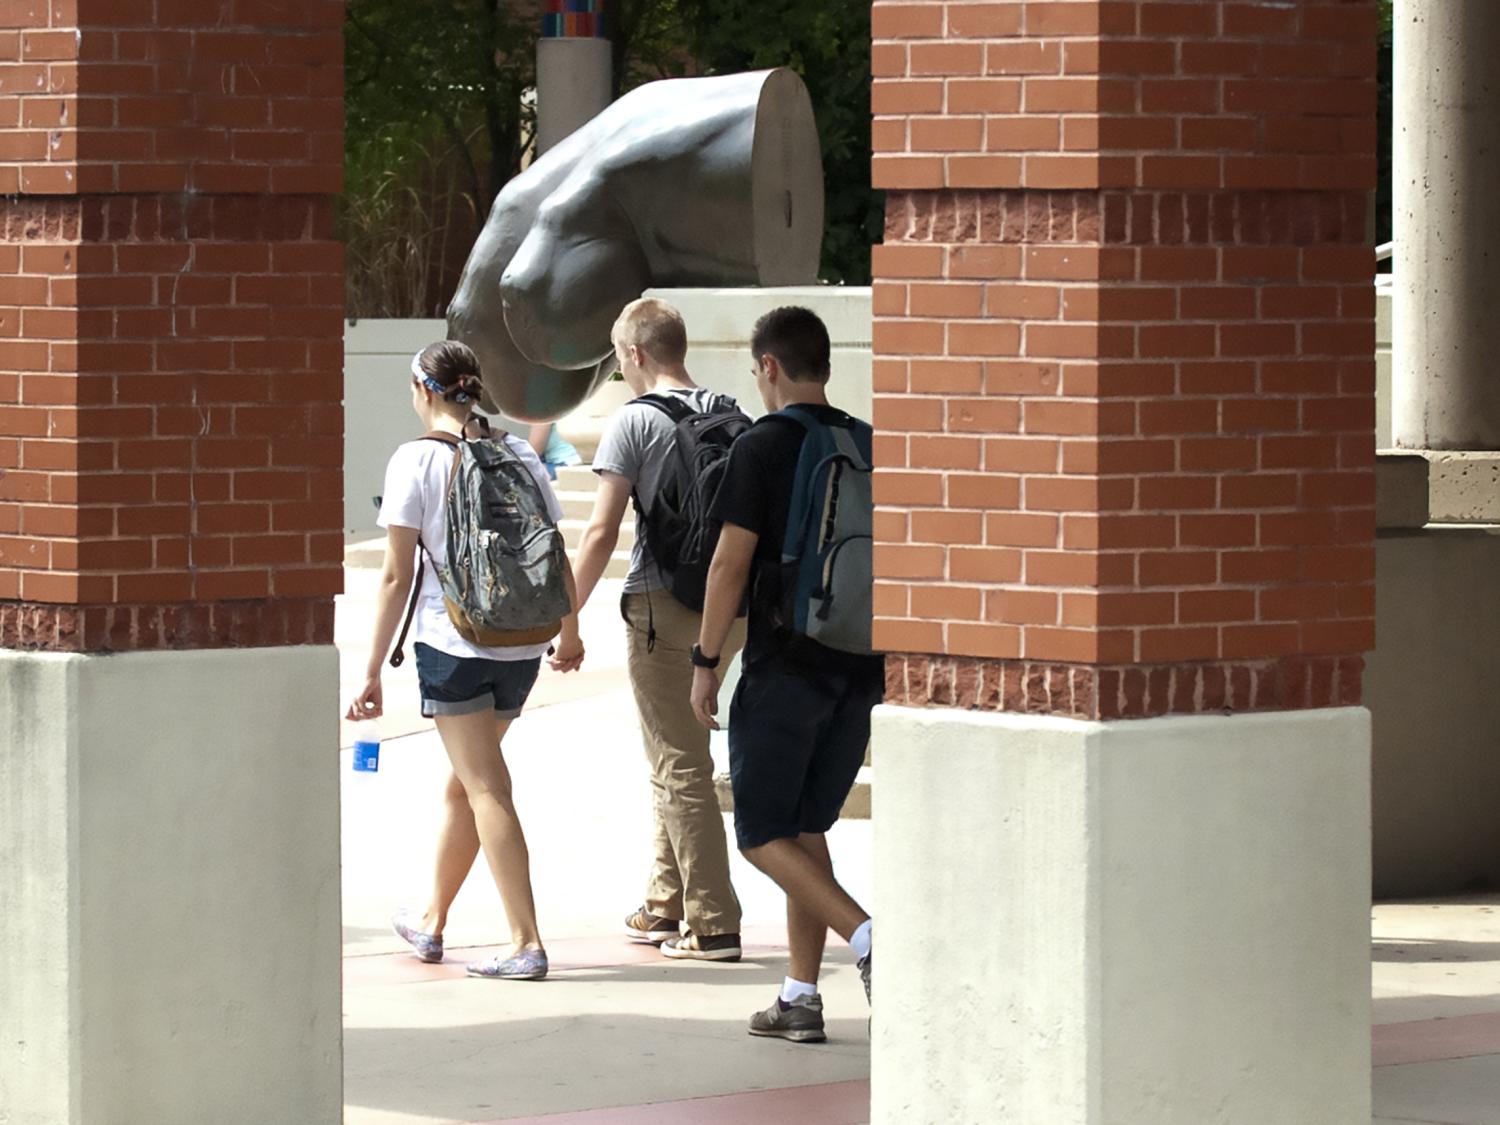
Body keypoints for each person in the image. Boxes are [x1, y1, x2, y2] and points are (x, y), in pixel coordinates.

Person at [346, 340, 585, 982]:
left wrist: (370, 670)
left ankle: (525, 942)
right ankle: (431, 920)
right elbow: (553, 547)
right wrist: (571, 630)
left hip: (452, 643)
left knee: (485, 786)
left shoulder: (414, 460)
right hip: (522, 643)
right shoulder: (518, 452)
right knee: (467, 783)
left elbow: (398, 575)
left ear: (424, 389)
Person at [690, 306, 879, 1043]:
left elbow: (730, 561)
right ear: (823, 364)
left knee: (763, 832)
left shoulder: (762, 445)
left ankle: (869, 940)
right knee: (804, 826)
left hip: (787, 661)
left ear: (768, 366)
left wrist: (707, 660)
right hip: (860, 664)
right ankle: (800, 995)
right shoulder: (865, 442)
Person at [571, 297, 748, 961]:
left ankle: (712, 921)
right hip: (730, 611)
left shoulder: (634, 422)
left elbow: (600, 530)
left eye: (620, 356)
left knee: (680, 764)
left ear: (636, 354)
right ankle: (664, 900)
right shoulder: (729, 409)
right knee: (673, 753)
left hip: (661, 606)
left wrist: (566, 617)